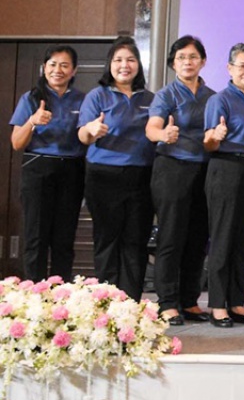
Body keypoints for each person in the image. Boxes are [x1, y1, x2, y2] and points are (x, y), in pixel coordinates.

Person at [77, 36, 155, 300]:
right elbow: (82, 136)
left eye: (130, 60)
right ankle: (108, 301)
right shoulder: (97, 96)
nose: (125, 65)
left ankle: (131, 302)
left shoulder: (150, 98)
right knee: (107, 240)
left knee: (136, 241)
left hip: (141, 177)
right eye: (118, 60)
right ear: (109, 64)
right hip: (104, 176)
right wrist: (91, 130)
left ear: (138, 65)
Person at [147, 35, 216, 325]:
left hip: (205, 171)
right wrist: (163, 134)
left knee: (198, 238)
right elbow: (152, 128)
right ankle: (167, 302)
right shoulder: (166, 94)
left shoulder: (212, 96)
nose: (187, 62)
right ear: (173, 63)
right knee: (171, 236)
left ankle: (189, 300)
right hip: (172, 170)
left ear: (203, 61)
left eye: (193, 57)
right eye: (181, 58)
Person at [203, 43, 244, 327]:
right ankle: (218, 304)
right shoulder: (220, 100)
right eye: (241, 66)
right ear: (229, 68)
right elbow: (209, 142)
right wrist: (215, 135)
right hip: (226, 167)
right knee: (223, 236)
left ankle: (236, 302)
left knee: (243, 238)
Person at [9, 45, 85, 282]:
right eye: (52, 64)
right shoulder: (31, 98)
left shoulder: (82, 99)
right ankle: (35, 293)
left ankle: (61, 293)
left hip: (72, 170)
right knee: (36, 237)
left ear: (74, 70)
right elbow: (16, 143)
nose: (57, 70)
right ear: (44, 67)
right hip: (38, 168)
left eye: (64, 65)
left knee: (64, 239)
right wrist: (32, 121)